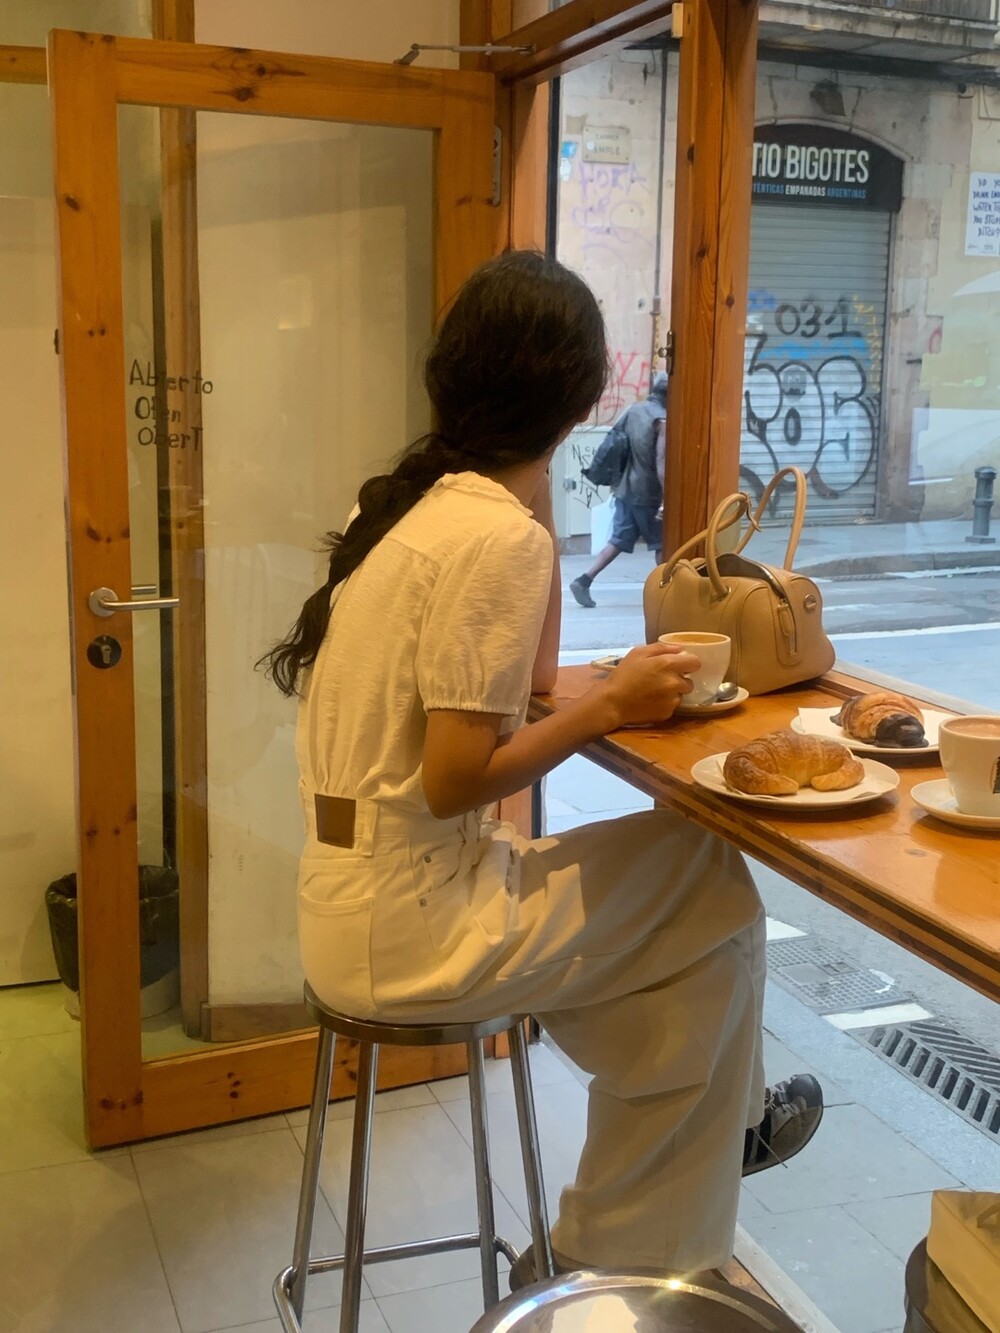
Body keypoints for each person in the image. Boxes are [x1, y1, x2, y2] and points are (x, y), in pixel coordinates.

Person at [261, 252, 823, 1285]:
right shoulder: (492, 537)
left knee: (694, 970)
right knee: (709, 874)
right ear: (580, 397)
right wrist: (610, 702)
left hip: (351, 900)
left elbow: (514, 684)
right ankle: (694, 1167)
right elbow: (454, 776)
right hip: (414, 924)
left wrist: (536, 519)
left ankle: (626, 1227)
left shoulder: (414, 514)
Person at [571, 370, 668, 609]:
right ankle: (668, 591)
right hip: (648, 493)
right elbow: (662, 462)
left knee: (618, 540)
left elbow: (615, 441)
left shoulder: (634, 410)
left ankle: (584, 580)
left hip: (626, 489)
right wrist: (665, 499)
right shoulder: (662, 420)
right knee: (662, 544)